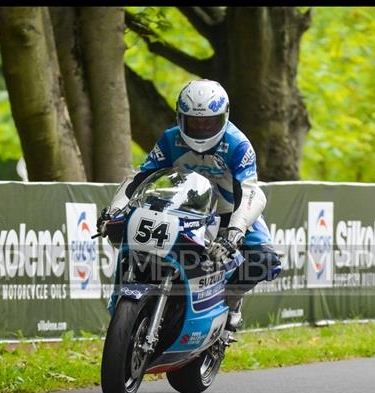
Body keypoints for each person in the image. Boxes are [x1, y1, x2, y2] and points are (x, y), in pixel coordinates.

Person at [98, 79, 281, 333]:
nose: (201, 128)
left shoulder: (238, 144)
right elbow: (139, 176)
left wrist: (235, 232)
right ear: (180, 117)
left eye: (209, 122)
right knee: (126, 230)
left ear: (224, 116)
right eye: (193, 122)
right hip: (180, 209)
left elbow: (251, 191)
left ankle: (231, 302)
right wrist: (114, 210)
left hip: (229, 211)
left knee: (264, 259)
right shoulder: (170, 139)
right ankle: (126, 298)